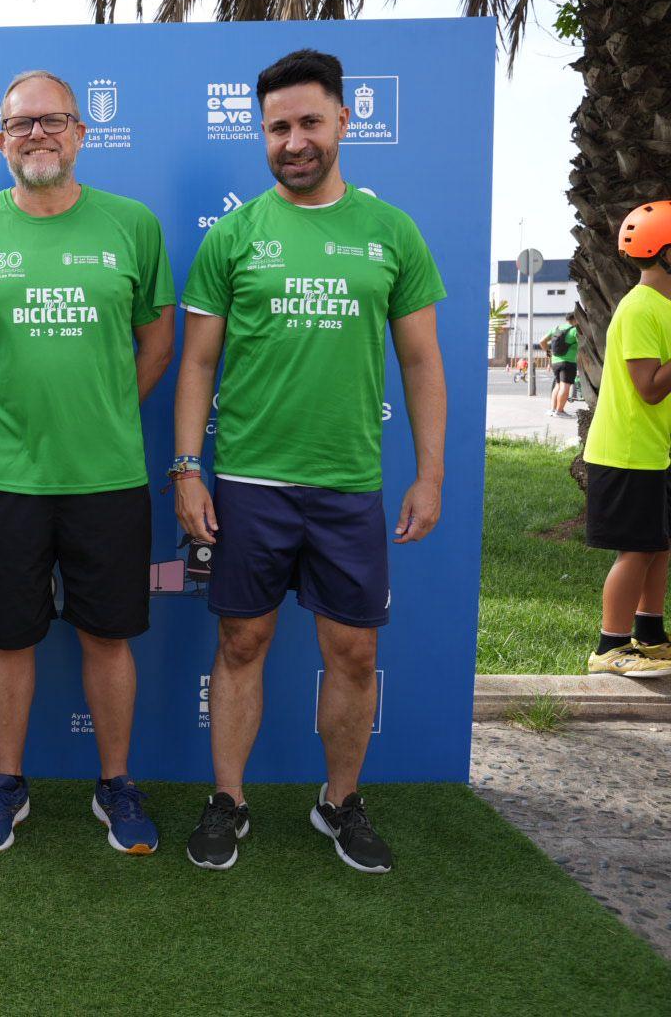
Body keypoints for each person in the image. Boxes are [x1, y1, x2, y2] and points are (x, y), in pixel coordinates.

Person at [173, 49, 447, 875]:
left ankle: (339, 803)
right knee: (243, 641)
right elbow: (195, 366)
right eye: (278, 127)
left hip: (347, 484)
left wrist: (430, 475)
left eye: (309, 123)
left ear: (343, 123)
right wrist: (189, 467)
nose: (293, 141)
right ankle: (230, 801)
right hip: (249, 483)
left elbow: (424, 365)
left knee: (354, 653)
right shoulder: (236, 235)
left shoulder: (391, 232)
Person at [0, 70, 176, 856]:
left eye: (54, 120)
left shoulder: (133, 225)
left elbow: (160, 339)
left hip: (108, 476)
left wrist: (102, 410)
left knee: (109, 635)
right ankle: (6, 783)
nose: (38, 134)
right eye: (21, 124)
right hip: (2, 477)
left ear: (81, 135)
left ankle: (117, 784)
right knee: (8, 637)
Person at [580, 200, 671, 679]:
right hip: (626, 450)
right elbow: (649, 387)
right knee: (636, 549)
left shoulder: (662, 306)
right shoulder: (639, 308)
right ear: (666, 254)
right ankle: (610, 645)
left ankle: (650, 636)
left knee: (659, 544)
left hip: (652, 451)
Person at [541, 313, 579, 417]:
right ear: (575, 319)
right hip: (568, 362)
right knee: (565, 386)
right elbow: (583, 345)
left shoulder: (555, 329)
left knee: (557, 385)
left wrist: (549, 353)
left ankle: (553, 410)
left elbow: (542, 341)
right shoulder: (575, 330)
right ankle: (560, 411)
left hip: (555, 362)